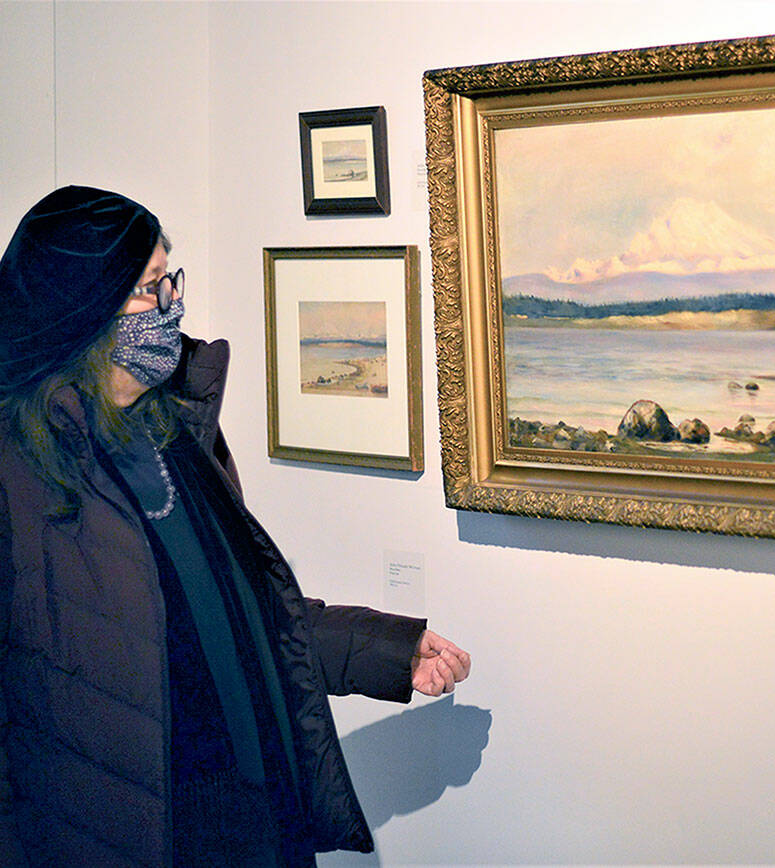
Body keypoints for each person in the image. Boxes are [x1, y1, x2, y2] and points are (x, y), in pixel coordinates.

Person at [0, 186, 471, 866]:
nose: (173, 308)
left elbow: (246, 617)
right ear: (80, 308)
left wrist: (387, 651)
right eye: (147, 290)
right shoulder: (19, 472)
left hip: (248, 820)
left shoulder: (173, 434)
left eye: (171, 281)